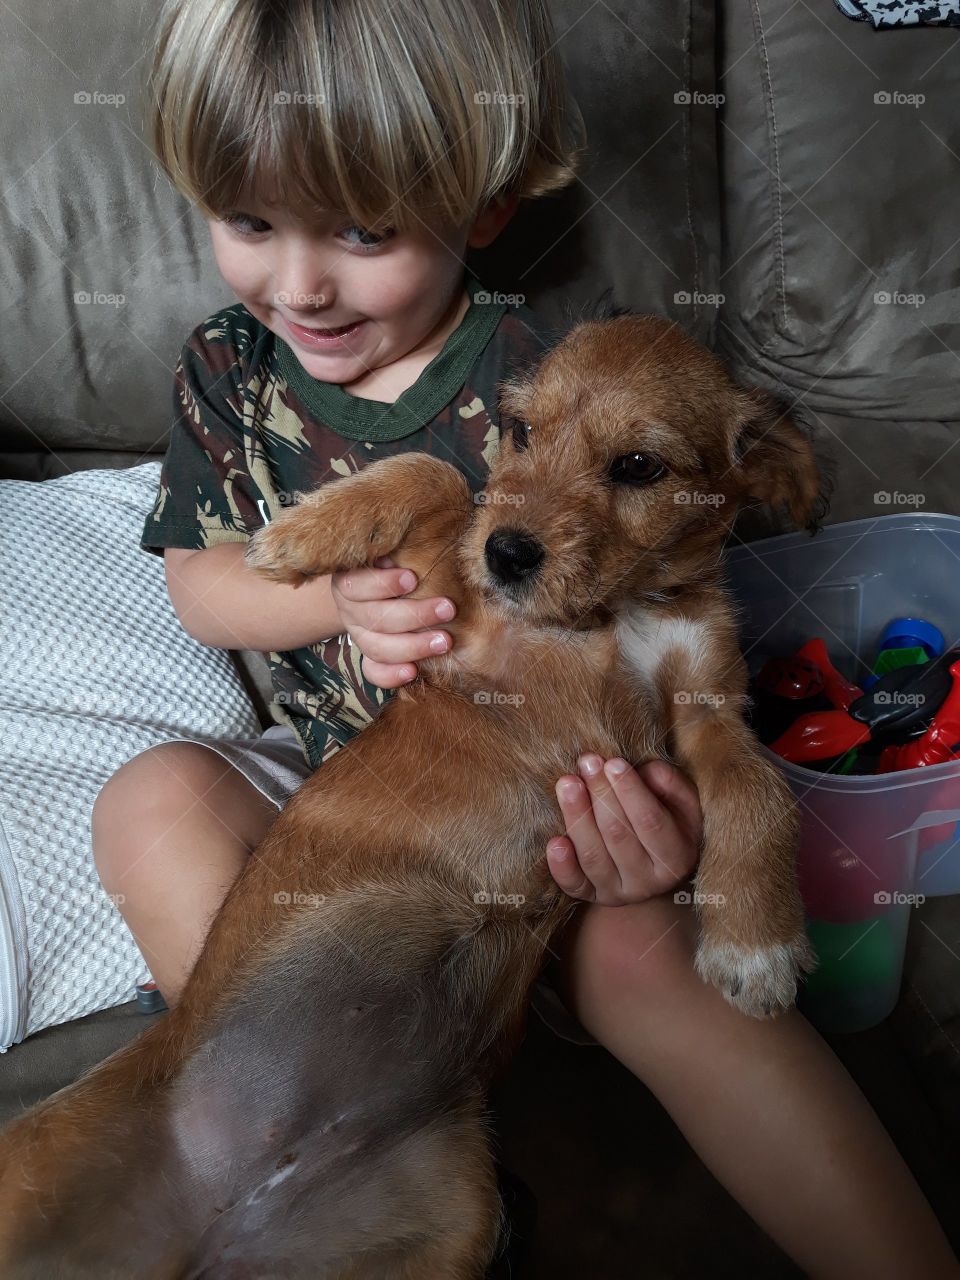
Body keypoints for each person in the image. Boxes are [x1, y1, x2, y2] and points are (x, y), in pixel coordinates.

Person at [93, 1, 957, 1274]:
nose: (302, 283)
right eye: (249, 221)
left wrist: (665, 830)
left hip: (548, 817)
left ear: (485, 204)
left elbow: (657, 652)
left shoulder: (557, 369)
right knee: (152, 799)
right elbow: (199, 584)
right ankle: (305, 1134)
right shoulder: (228, 368)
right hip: (333, 802)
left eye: (364, 230)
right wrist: (333, 602)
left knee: (651, 959)